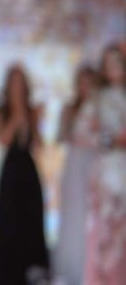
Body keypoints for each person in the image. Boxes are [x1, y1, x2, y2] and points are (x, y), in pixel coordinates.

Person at [0, 65, 49, 285]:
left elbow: (38, 144)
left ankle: (32, 271)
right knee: (9, 220)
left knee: (31, 219)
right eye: (13, 82)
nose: (17, 87)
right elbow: (2, 140)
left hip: (28, 169)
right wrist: (17, 115)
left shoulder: (32, 110)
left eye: (20, 82)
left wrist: (35, 120)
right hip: (11, 170)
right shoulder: (1, 111)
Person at [83, 45, 126, 284]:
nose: (116, 67)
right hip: (107, 174)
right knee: (104, 236)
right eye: (110, 62)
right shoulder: (98, 99)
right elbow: (80, 132)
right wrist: (109, 140)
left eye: (119, 61)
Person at [54, 65, 99, 285]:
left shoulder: (101, 109)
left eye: (89, 82)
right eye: (82, 82)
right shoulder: (69, 108)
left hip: (93, 165)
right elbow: (60, 137)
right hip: (74, 167)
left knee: (92, 216)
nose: (85, 87)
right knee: (74, 215)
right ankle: (73, 270)